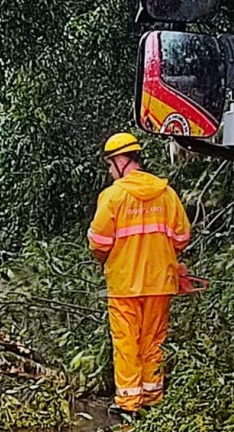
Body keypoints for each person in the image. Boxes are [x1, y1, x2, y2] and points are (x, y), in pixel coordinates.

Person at [88, 132, 191, 416]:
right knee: (153, 342)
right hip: (160, 283)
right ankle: (152, 400)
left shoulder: (113, 197)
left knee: (126, 343)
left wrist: (110, 257)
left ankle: (128, 405)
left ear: (122, 160)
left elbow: (98, 243)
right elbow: (182, 237)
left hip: (124, 285)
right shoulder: (166, 194)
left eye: (110, 164)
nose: (110, 171)